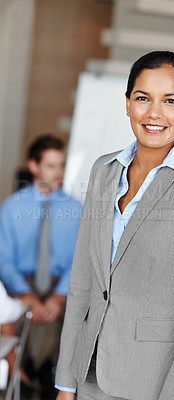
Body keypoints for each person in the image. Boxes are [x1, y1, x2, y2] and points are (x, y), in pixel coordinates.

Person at [55, 51, 174, 400]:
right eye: (143, 98)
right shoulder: (103, 172)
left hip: (154, 384)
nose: (154, 113)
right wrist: (66, 381)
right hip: (88, 375)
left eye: (170, 100)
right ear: (127, 104)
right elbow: (83, 284)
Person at [0, 134, 82, 399]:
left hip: (64, 283)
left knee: (83, 316)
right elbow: (4, 260)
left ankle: (56, 376)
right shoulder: (11, 208)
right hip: (23, 283)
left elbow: (79, 260)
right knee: (7, 317)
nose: (58, 172)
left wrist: (59, 297)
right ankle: (20, 375)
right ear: (33, 166)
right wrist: (27, 295)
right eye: (51, 165)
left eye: (61, 165)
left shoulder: (77, 209)